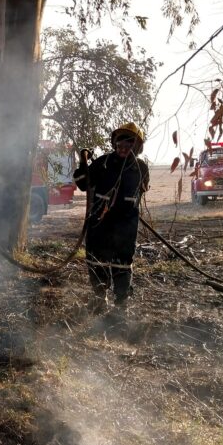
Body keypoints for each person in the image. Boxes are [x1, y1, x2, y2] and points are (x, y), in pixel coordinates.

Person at [73, 122, 150, 313]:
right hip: (100, 224)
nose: (123, 149)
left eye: (128, 145)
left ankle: (121, 306)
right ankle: (100, 300)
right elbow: (83, 183)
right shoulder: (104, 162)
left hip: (126, 226)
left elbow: (142, 189)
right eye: (120, 145)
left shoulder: (141, 168)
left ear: (136, 147)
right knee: (96, 261)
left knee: (121, 265)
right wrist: (84, 164)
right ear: (115, 144)